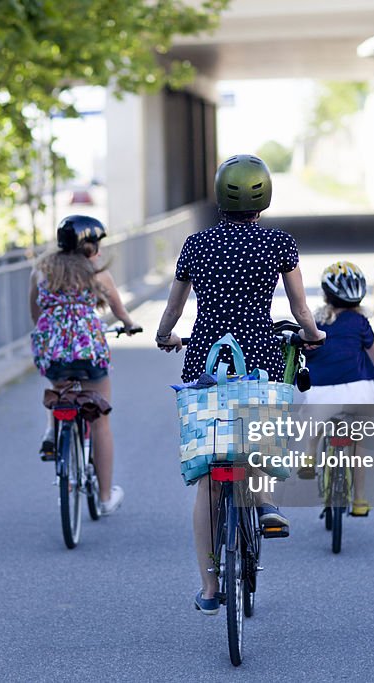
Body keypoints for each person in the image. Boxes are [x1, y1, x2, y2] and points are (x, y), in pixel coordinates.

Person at [155, 154, 325, 615]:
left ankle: (210, 590)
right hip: (260, 355)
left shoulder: (196, 245)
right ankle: (266, 502)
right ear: (264, 197)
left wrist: (164, 336)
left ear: (219, 195)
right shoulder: (279, 244)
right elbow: (302, 310)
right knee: (260, 435)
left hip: (208, 356)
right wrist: (313, 335)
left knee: (211, 477)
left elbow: (173, 310)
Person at [30, 215, 140, 516]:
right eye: (97, 244)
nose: (100, 251)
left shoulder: (42, 273)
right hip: (89, 355)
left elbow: (36, 315)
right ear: (88, 246)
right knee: (100, 418)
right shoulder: (97, 274)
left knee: (60, 388)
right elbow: (120, 312)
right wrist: (130, 325)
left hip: (53, 353)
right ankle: (105, 497)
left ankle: (53, 429)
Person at [301, 260, 374, 518]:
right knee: (359, 444)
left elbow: (305, 349)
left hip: (322, 392)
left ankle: (309, 456)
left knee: (312, 417)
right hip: (358, 393)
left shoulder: (316, 323)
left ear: (326, 294)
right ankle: (360, 500)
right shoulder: (360, 323)